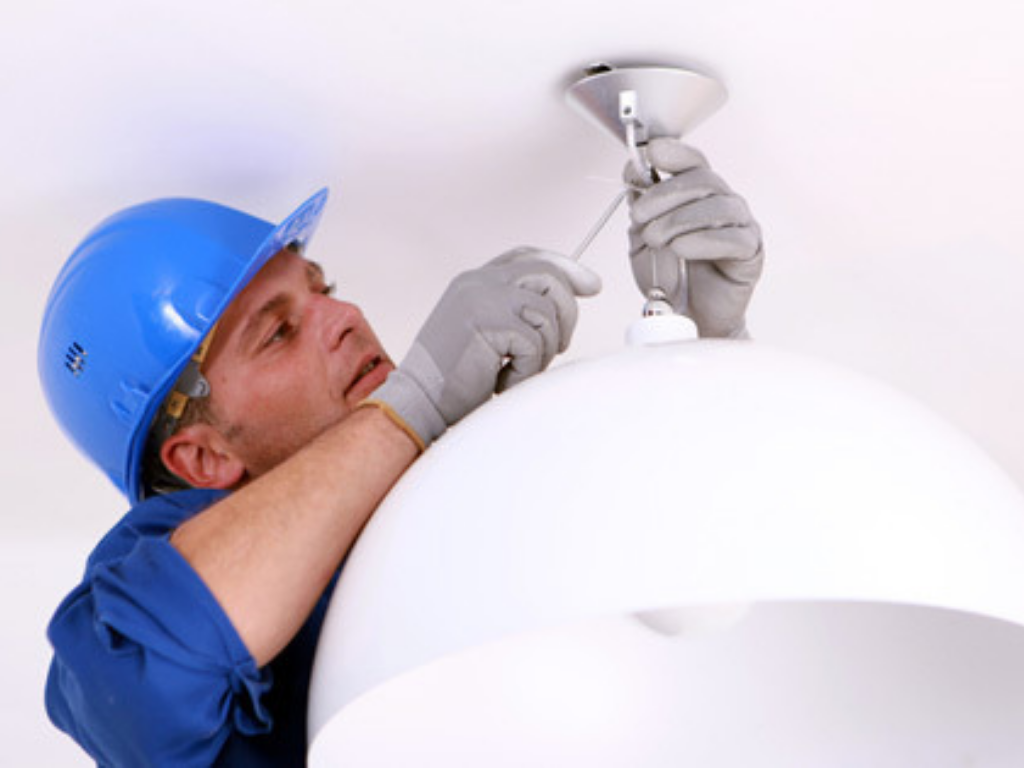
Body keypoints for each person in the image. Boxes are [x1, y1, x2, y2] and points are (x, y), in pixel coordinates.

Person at [39, 139, 763, 766]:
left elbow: (693, 599)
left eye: (324, 290)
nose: (347, 317)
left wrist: (703, 351)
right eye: (279, 331)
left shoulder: (456, 495)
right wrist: (413, 407)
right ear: (202, 462)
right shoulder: (153, 567)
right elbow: (140, 675)